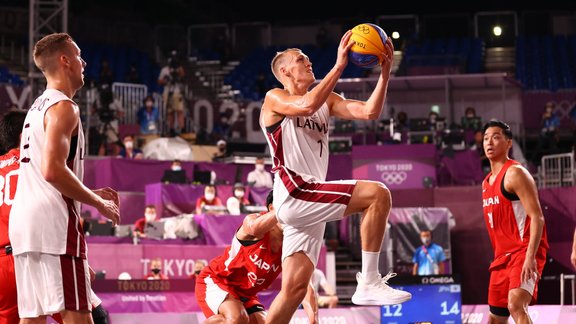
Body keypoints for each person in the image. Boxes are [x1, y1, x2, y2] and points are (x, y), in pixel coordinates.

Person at [260, 30, 411, 323]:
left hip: (307, 202)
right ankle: (368, 280)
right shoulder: (274, 97)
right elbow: (305, 105)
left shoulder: (327, 100)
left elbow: (369, 112)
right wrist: (340, 65)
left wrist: (385, 72)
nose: (309, 63)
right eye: (301, 60)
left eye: (308, 59)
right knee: (378, 194)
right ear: (284, 70)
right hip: (295, 190)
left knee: (294, 290)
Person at [8, 32, 120, 323]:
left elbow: (44, 173)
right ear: (65, 60)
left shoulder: (35, 110)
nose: (84, 63)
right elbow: (53, 171)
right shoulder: (64, 108)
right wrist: (99, 203)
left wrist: (88, 190)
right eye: (79, 56)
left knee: (31, 319)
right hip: (53, 228)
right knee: (80, 318)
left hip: (23, 228)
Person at [195, 191, 317, 324]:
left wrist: (313, 318)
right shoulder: (254, 222)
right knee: (238, 319)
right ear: (272, 208)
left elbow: (304, 285)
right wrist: (282, 212)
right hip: (218, 280)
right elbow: (253, 227)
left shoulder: (292, 243)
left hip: (246, 294)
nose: (290, 216)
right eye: (288, 208)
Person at [481, 120, 549, 324]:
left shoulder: (515, 173)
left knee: (516, 304)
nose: (489, 142)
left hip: (524, 251)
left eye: (495, 137)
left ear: (509, 143)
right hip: (501, 258)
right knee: (495, 318)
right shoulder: (486, 183)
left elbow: (537, 217)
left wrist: (530, 257)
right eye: (485, 138)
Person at [158, 50, 186, 137]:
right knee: (170, 111)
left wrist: (178, 69)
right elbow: (159, 81)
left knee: (179, 110)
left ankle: (182, 129)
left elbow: (183, 75)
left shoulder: (179, 68)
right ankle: (171, 129)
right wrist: (165, 80)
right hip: (168, 91)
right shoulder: (165, 70)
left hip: (177, 92)